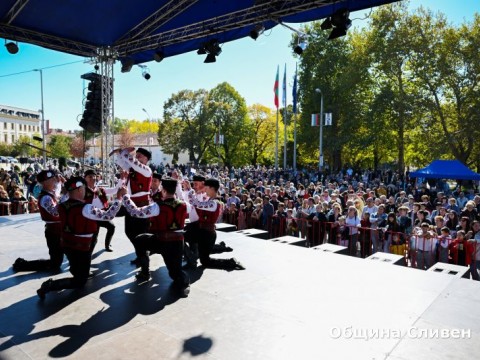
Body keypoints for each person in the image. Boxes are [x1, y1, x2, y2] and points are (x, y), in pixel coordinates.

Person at [36, 176, 122, 299]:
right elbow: (108, 215)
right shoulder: (86, 208)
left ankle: (77, 272)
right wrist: (118, 199)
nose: (84, 191)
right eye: (83, 188)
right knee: (80, 281)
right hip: (81, 247)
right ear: (79, 190)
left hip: (67, 245)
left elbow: (54, 212)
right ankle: (50, 285)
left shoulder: (61, 206)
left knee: (78, 269)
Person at [120, 177, 190, 297]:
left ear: (163, 190)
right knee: (175, 273)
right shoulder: (185, 205)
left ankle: (145, 272)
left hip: (161, 241)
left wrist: (126, 196)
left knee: (139, 240)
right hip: (178, 243)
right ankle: (183, 282)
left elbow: (135, 212)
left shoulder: (157, 207)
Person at [185, 178, 245, 270]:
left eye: (206, 188)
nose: (205, 190)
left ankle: (231, 262)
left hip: (207, 235)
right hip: (199, 230)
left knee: (205, 261)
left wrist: (192, 191)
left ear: (212, 189)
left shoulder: (214, 203)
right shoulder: (208, 200)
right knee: (180, 237)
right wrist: (197, 192)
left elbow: (196, 204)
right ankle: (191, 257)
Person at [12, 170, 65, 272]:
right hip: (53, 232)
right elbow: (56, 212)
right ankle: (23, 265)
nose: (55, 180)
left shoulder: (51, 193)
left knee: (62, 257)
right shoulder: (46, 198)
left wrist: (61, 183)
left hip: (60, 230)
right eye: (52, 179)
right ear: (44, 183)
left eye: (55, 178)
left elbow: (58, 190)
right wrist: (67, 196)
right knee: (55, 263)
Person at [110, 147, 152, 264]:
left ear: (146, 159)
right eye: (136, 155)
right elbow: (122, 163)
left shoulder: (146, 170)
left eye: (140, 156)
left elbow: (132, 161)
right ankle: (141, 254)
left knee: (141, 234)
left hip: (141, 204)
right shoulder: (132, 169)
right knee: (129, 232)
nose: (136, 158)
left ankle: (144, 258)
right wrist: (119, 154)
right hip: (130, 203)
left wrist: (124, 152)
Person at [83, 169, 117, 252]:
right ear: (85, 179)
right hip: (91, 217)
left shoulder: (99, 190)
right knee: (94, 238)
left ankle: (107, 245)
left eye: (94, 176)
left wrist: (122, 180)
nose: (93, 178)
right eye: (90, 177)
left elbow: (114, 190)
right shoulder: (82, 190)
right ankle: (87, 255)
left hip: (101, 215)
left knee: (111, 226)